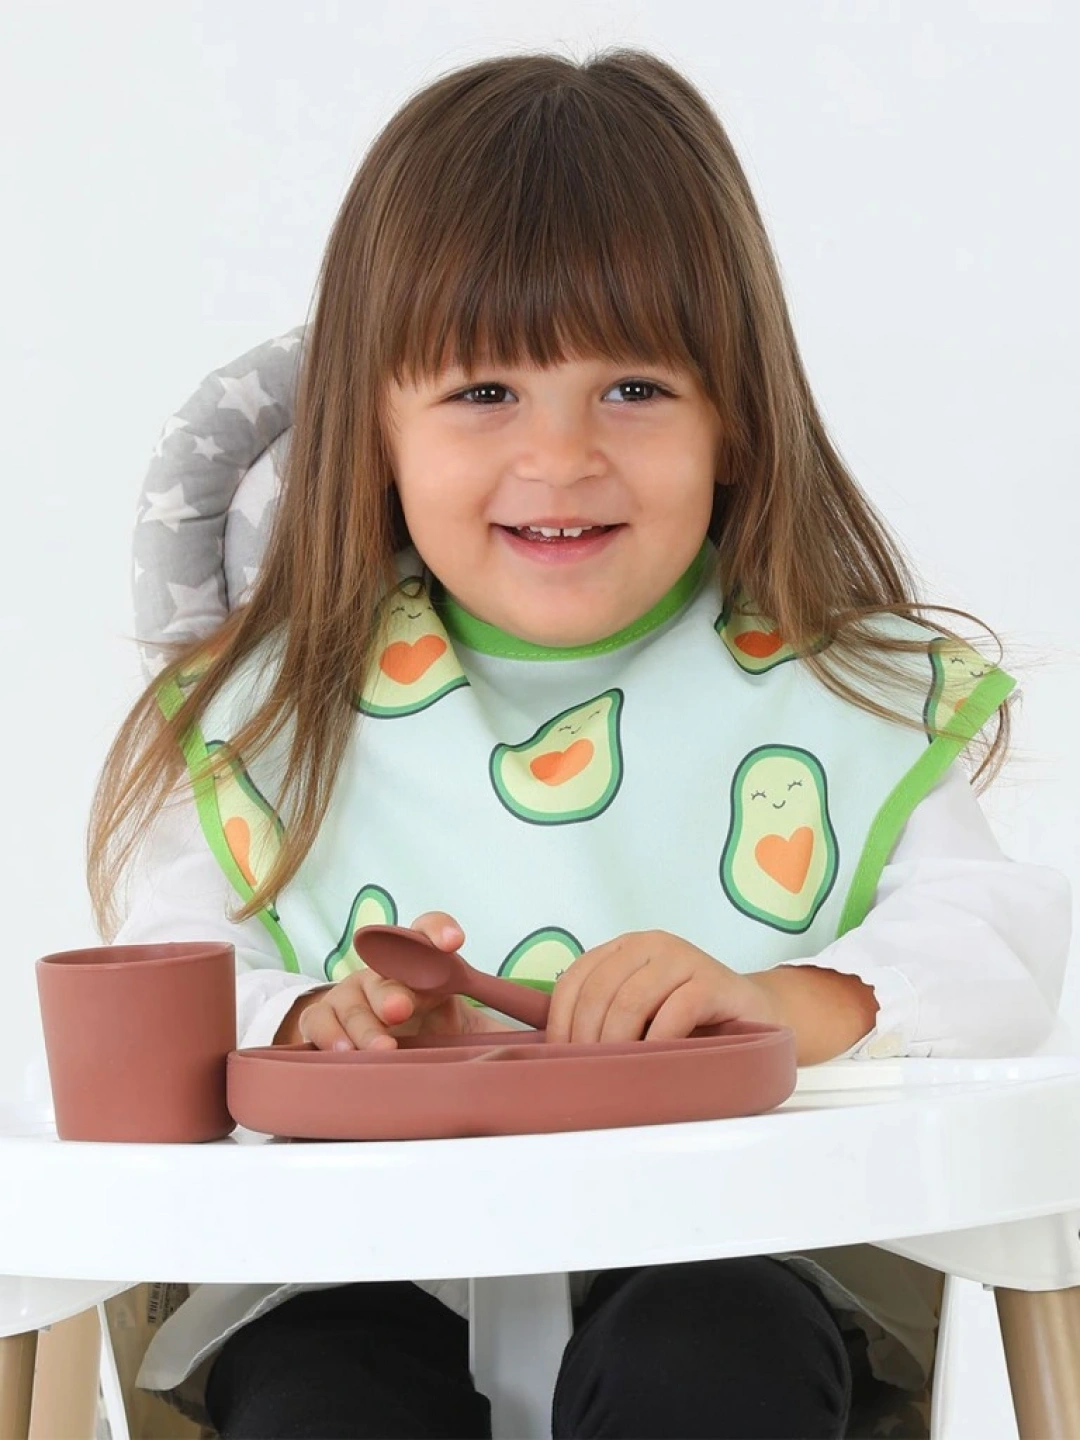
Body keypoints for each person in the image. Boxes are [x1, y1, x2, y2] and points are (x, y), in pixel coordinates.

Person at [87, 45, 1071, 1440]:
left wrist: (781, 1002)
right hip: (356, 1260)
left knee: (713, 1365)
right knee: (322, 1403)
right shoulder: (279, 712)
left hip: (735, 1244)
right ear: (373, 427)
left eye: (635, 389)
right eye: (485, 393)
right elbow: (167, 993)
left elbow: (997, 952)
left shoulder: (826, 689)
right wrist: (311, 1027)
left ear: (736, 415)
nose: (559, 457)